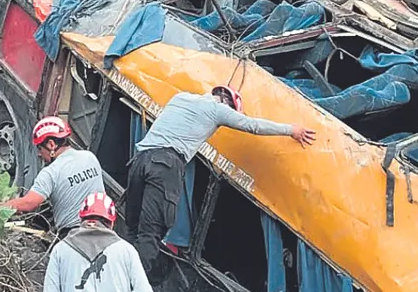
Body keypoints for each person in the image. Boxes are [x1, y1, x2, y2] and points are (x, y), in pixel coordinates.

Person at [127, 85, 316, 277]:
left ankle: (119, 271)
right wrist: (292, 130)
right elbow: (253, 126)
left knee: (133, 227)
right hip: (165, 166)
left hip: (140, 159)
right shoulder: (218, 110)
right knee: (150, 234)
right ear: (228, 104)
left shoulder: (180, 97)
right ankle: (130, 284)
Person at [4, 117, 104, 238]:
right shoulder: (90, 157)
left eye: (39, 148)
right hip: (103, 228)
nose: (39, 154)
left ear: (51, 144)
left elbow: (29, 203)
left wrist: (1, 207)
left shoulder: (51, 172)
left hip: (74, 236)